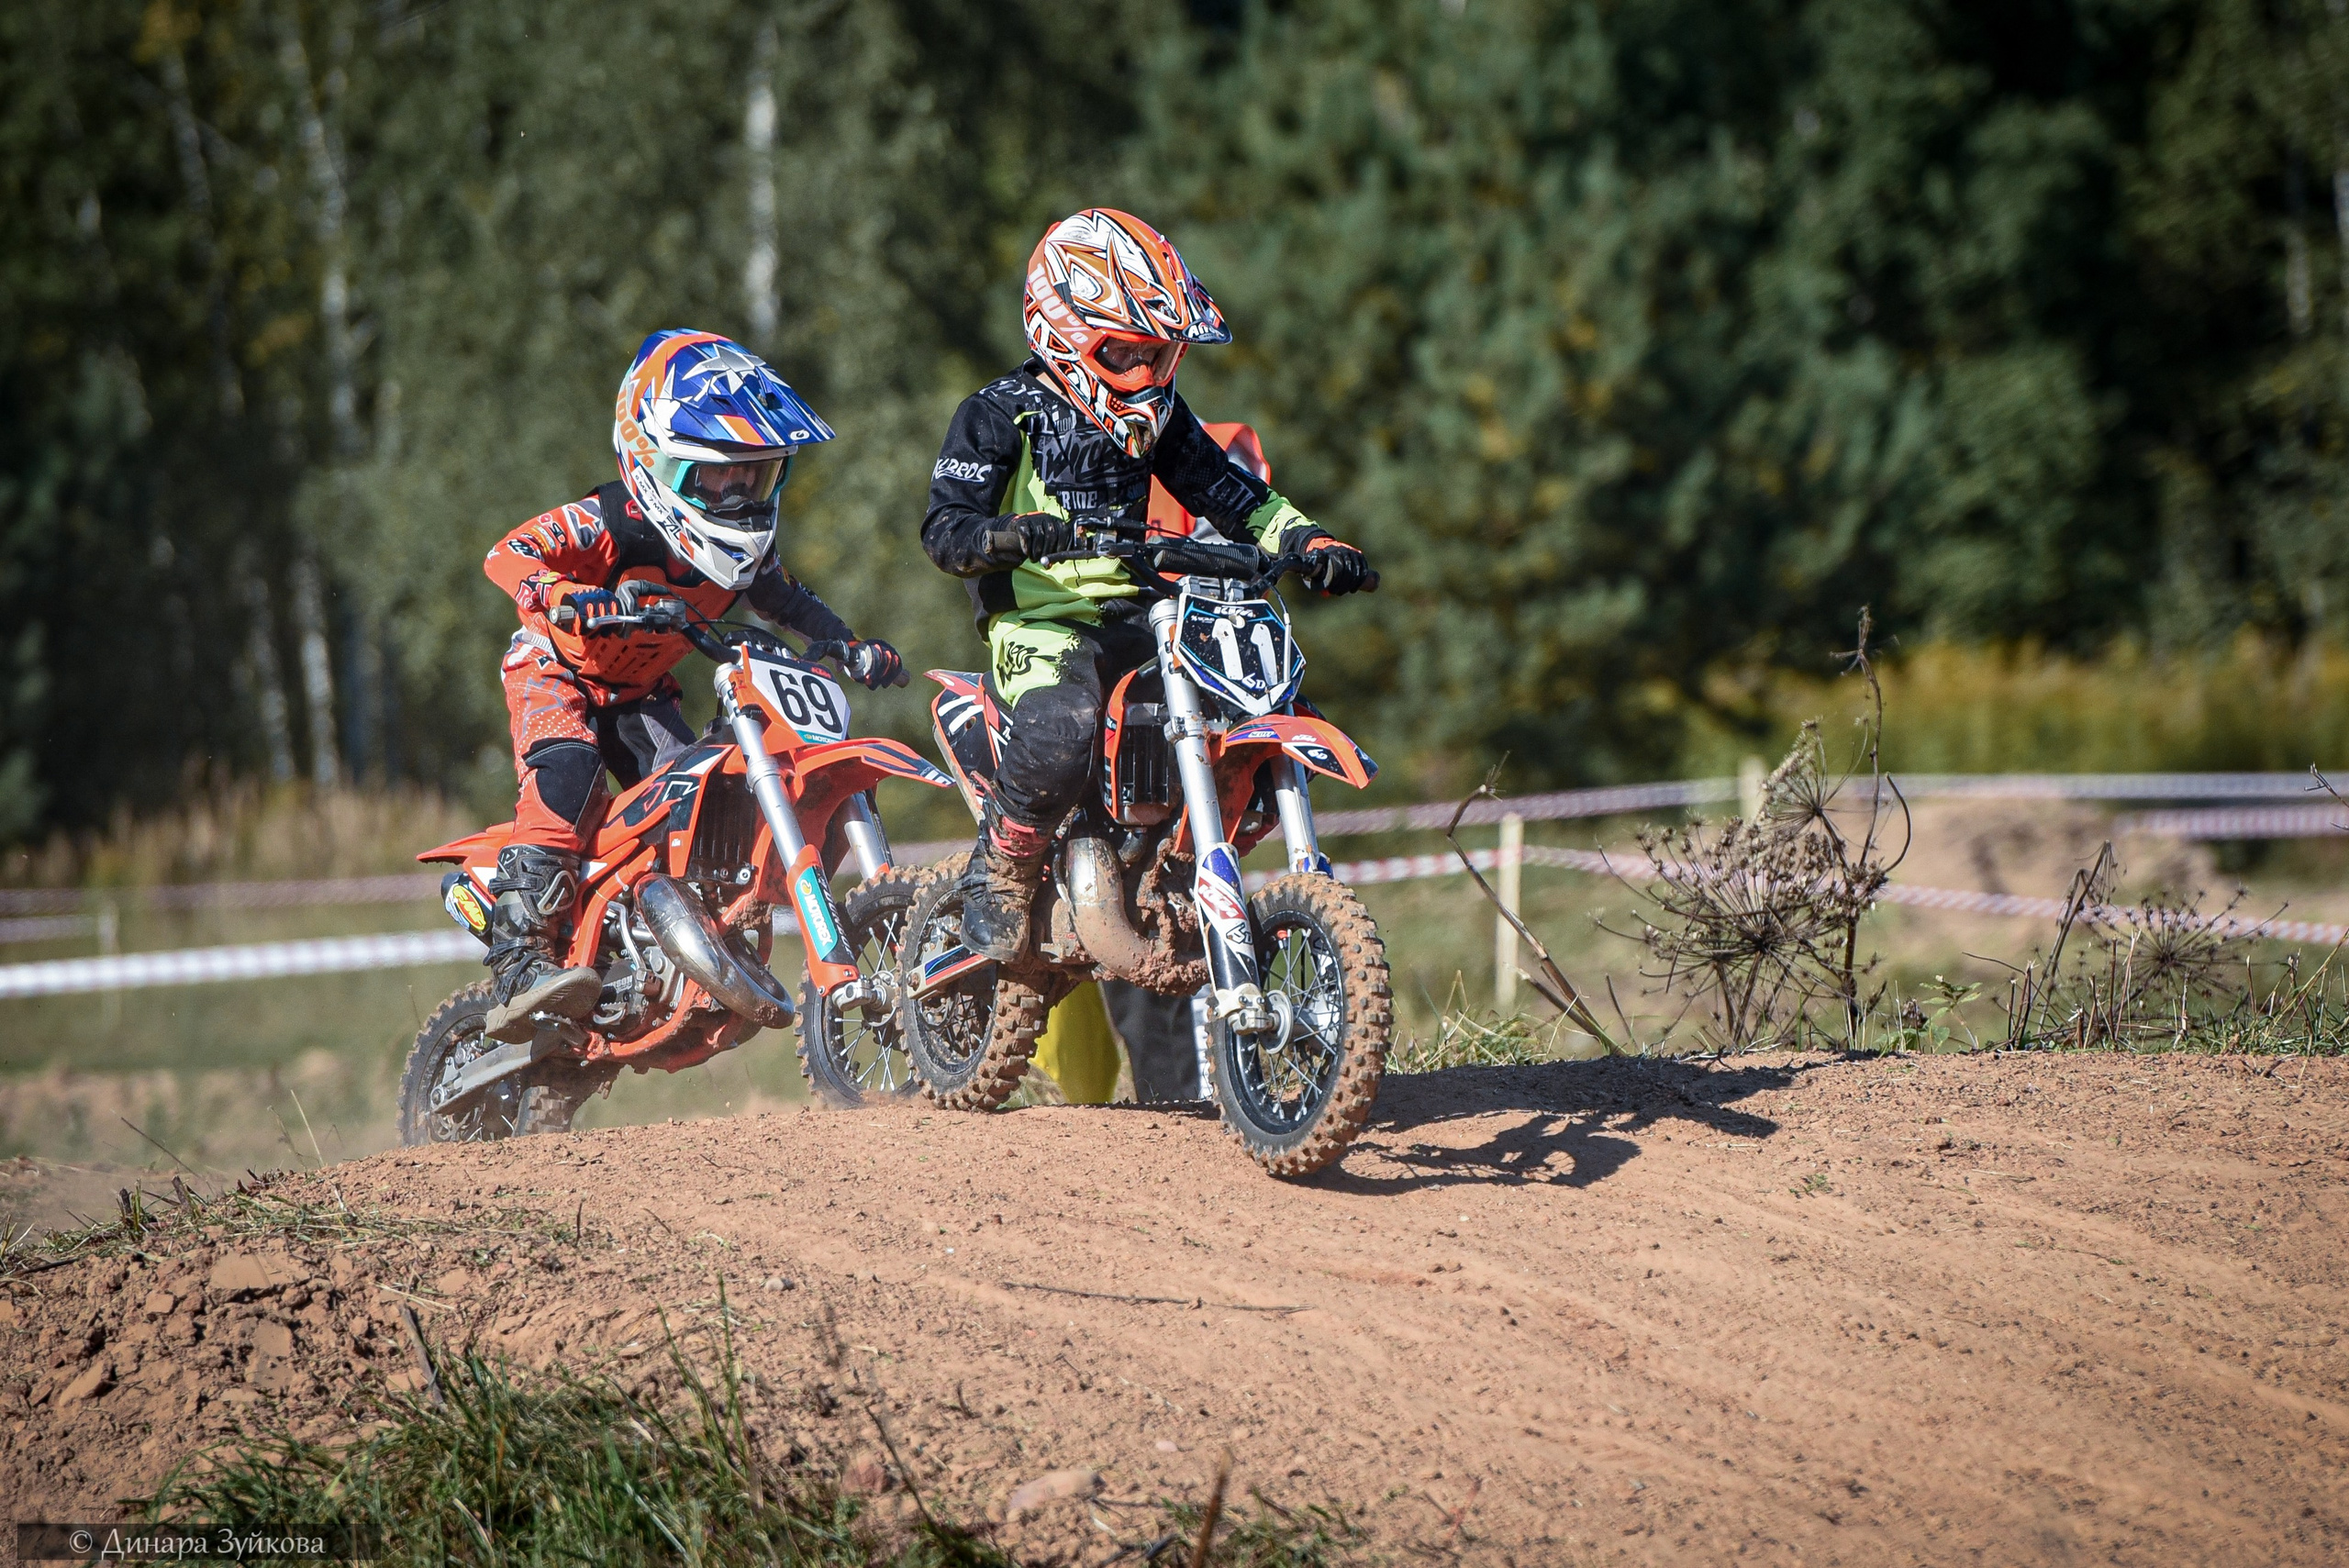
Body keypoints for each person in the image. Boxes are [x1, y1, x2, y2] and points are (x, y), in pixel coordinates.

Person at [920, 209, 1374, 962]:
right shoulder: (1000, 412)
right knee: (1065, 725)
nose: (1144, 374)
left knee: (1259, 694)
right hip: (1041, 623)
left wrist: (1310, 541)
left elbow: (1235, 495)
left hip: (1143, 613)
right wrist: (1009, 534)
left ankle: (1172, 860)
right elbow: (945, 529)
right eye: (1125, 352)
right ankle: (1001, 867)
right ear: (1063, 332)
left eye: (1157, 354)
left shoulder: (1160, 419)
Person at [476, 328, 907, 1040]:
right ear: (658, 465)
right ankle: (519, 957)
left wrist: (852, 646)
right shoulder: (612, 519)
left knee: (692, 800)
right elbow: (508, 552)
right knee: (569, 776)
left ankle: (663, 950)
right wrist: (558, 594)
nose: (739, 494)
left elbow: (792, 602)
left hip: (643, 691)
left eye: (756, 476)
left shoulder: (740, 557)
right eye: (720, 476)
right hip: (559, 671)